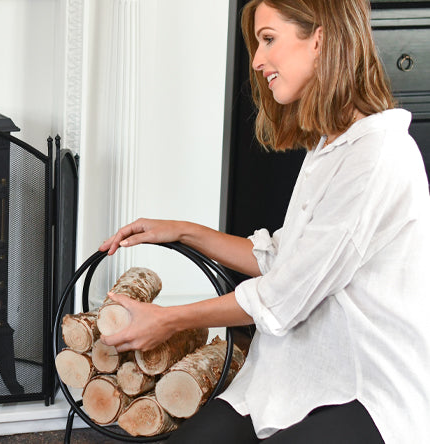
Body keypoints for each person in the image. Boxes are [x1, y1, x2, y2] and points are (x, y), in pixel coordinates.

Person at [97, 0, 430, 443]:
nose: (256, 60)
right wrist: (184, 230)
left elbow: (284, 294)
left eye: (268, 39)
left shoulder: (376, 155)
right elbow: (283, 259)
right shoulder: (330, 147)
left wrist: (168, 319)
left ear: (320, 39)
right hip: (286, 377)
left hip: (362, 389)